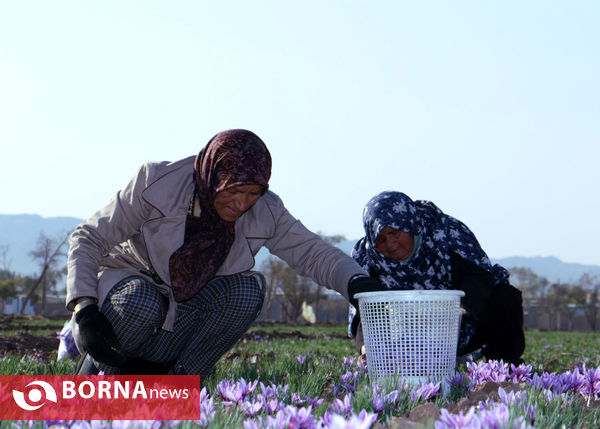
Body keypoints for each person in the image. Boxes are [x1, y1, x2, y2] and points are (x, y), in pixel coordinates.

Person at [67, 129, 384, 376]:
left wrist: (355, 282)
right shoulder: (156, 184)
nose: (241, 204)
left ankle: (177, 387)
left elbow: (313, 252)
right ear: (214, 177)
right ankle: (95, 381)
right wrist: (85, 308)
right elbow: (88, 236)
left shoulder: (265, 211)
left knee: (247, 290)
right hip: (122, 309)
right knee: (143, 300)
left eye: (252, 193)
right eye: (233, 190)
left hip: (179, 316)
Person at [349, 191, 525, 365]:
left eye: (395, 232)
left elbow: (479, 278)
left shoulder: (445, 233)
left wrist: (452, 310)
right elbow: (365, 311)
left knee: (505, 297)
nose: (390, 244)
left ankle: (505, 369)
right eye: (380, 238)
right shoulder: (368, 258)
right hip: (405, 340)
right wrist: (367, 348)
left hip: (460, 326)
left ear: (410, 224)